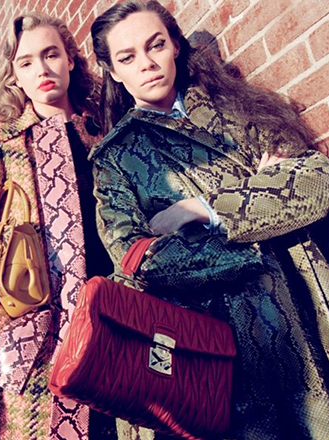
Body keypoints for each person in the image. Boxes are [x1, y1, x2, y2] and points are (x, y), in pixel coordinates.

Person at [89, 1, 329, 439]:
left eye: (156, 45)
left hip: (306, 299)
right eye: (127, 56)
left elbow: (317, 181)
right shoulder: (116, 158)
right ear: (112, 70)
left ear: (175, 47)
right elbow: (139, 258)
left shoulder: (237, 107)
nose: (147, 64)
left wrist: (204, 210)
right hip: (220, 342)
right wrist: (263, 204)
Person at [0, 12, 114, 440]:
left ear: (70, 59)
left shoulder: (104, 133)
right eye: (26, 62)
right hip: (36, 338)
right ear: (14, 76)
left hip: (113, 320)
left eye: (51, 55)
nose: (42, 69)